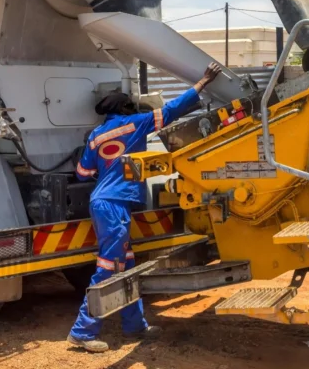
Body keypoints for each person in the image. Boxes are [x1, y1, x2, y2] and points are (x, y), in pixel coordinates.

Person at [67, 62, 223, 353]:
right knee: (109, 266)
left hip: (103, 202)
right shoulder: (135, 124)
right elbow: (172, 110)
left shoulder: (95, 135)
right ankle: (82, 332)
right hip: (115, 205)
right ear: (127, 108)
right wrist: (202, 82)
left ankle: (134, 326)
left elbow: (82, 174)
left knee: (126, 265)